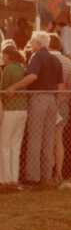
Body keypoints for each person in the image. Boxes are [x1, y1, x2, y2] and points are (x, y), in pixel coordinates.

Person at [5, 31, 63, 186]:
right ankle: (46, 175)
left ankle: (33, 176)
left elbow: (32, 77)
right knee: (48, 140)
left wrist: (14, 87)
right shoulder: (55, 59)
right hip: (53, 99)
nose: (30, 44)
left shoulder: (37, 56)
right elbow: (60, 85)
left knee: (35, 138)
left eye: (32, 41)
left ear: (38, 43)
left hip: (38, 98)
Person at [48, 33, 71, 183]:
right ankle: (58, 172)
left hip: (50, 101)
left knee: (47, 139)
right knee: (59, 139)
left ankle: (49, 172)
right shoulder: (68, 62)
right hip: (64, 103)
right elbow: (70, 84)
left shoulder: (47, 59)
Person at [0, 46, 27, 188]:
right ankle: (13, 178)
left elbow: (2, 89)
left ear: (8, 56)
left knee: (4, 145)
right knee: (15, 146)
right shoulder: (22, 68)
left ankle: (4, 179)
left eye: (3, 55)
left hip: (10, 109)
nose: (2, 57)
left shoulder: (8, 69)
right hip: (23, 109)